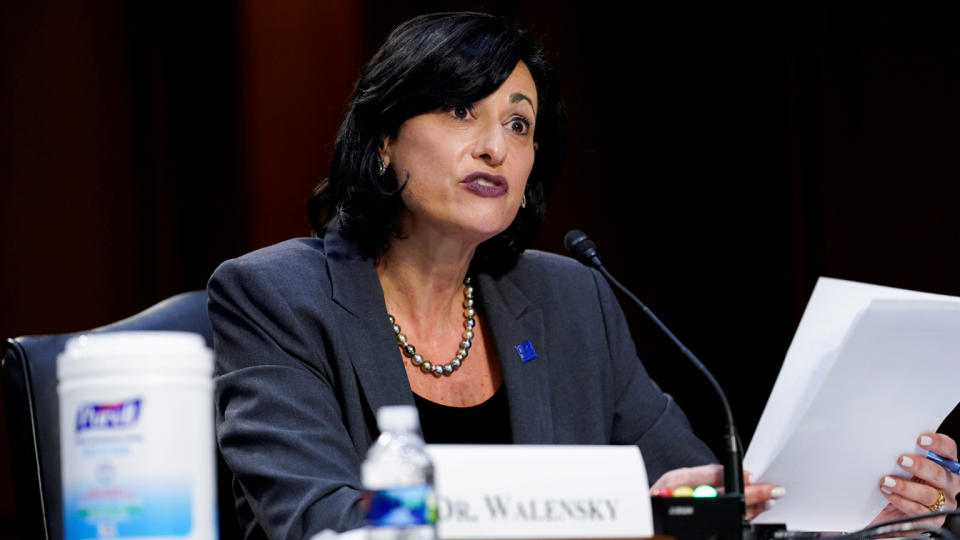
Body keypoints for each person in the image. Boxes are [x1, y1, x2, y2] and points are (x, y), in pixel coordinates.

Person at [208, 12, 957, 540]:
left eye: (519, 123)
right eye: (461, 110)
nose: (495, 147)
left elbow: (700, 508)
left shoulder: (568, 299)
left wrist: (864, 514)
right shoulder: (274, 297)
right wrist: (600, 509)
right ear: (379, 143)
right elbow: (320, 522)